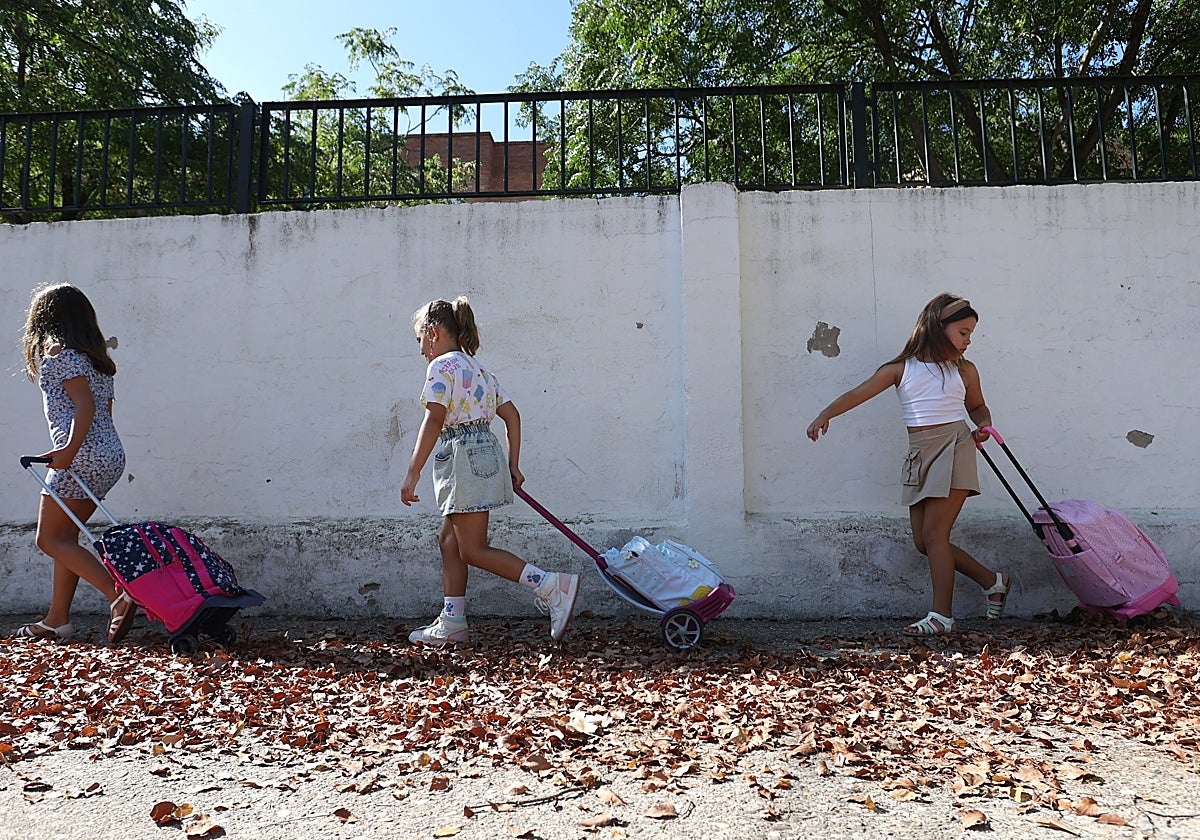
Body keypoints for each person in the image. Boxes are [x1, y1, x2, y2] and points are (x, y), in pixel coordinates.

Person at [806, 293, 1010, 635]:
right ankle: (993, 581)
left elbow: (977, 407)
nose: (968, 341)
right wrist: (827, 414)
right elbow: (858, 394)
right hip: (920, 454)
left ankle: (941, 617)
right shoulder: (901, 369)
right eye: (963, 332)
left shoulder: (965, 371)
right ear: (938, 327)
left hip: (955, 447)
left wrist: (983, 424)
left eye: (971, 333)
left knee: (935, 535)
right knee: (923, 541)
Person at [400, 296, 579, 646]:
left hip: (462, 459)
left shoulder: (441, 367)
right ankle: (453, 622)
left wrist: (413, 472)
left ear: (433, 333)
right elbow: (511, 415)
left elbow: (435, 418)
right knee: (449, 541)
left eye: (420, 339)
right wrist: (512, 463)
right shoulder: (479, 369)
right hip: (486, 455)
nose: (421, 349)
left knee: (473, 549)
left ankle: (550, 586)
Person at [16, 283, 137, 644]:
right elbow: (106, 410)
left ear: (45, 319)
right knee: (65, 537)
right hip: (109, 455)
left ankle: (118, 596)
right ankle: (57, 620)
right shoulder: (96, 360)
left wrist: (67, 451)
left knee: (49, 538)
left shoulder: (59, 354)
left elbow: (84, 405)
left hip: (80, 456)